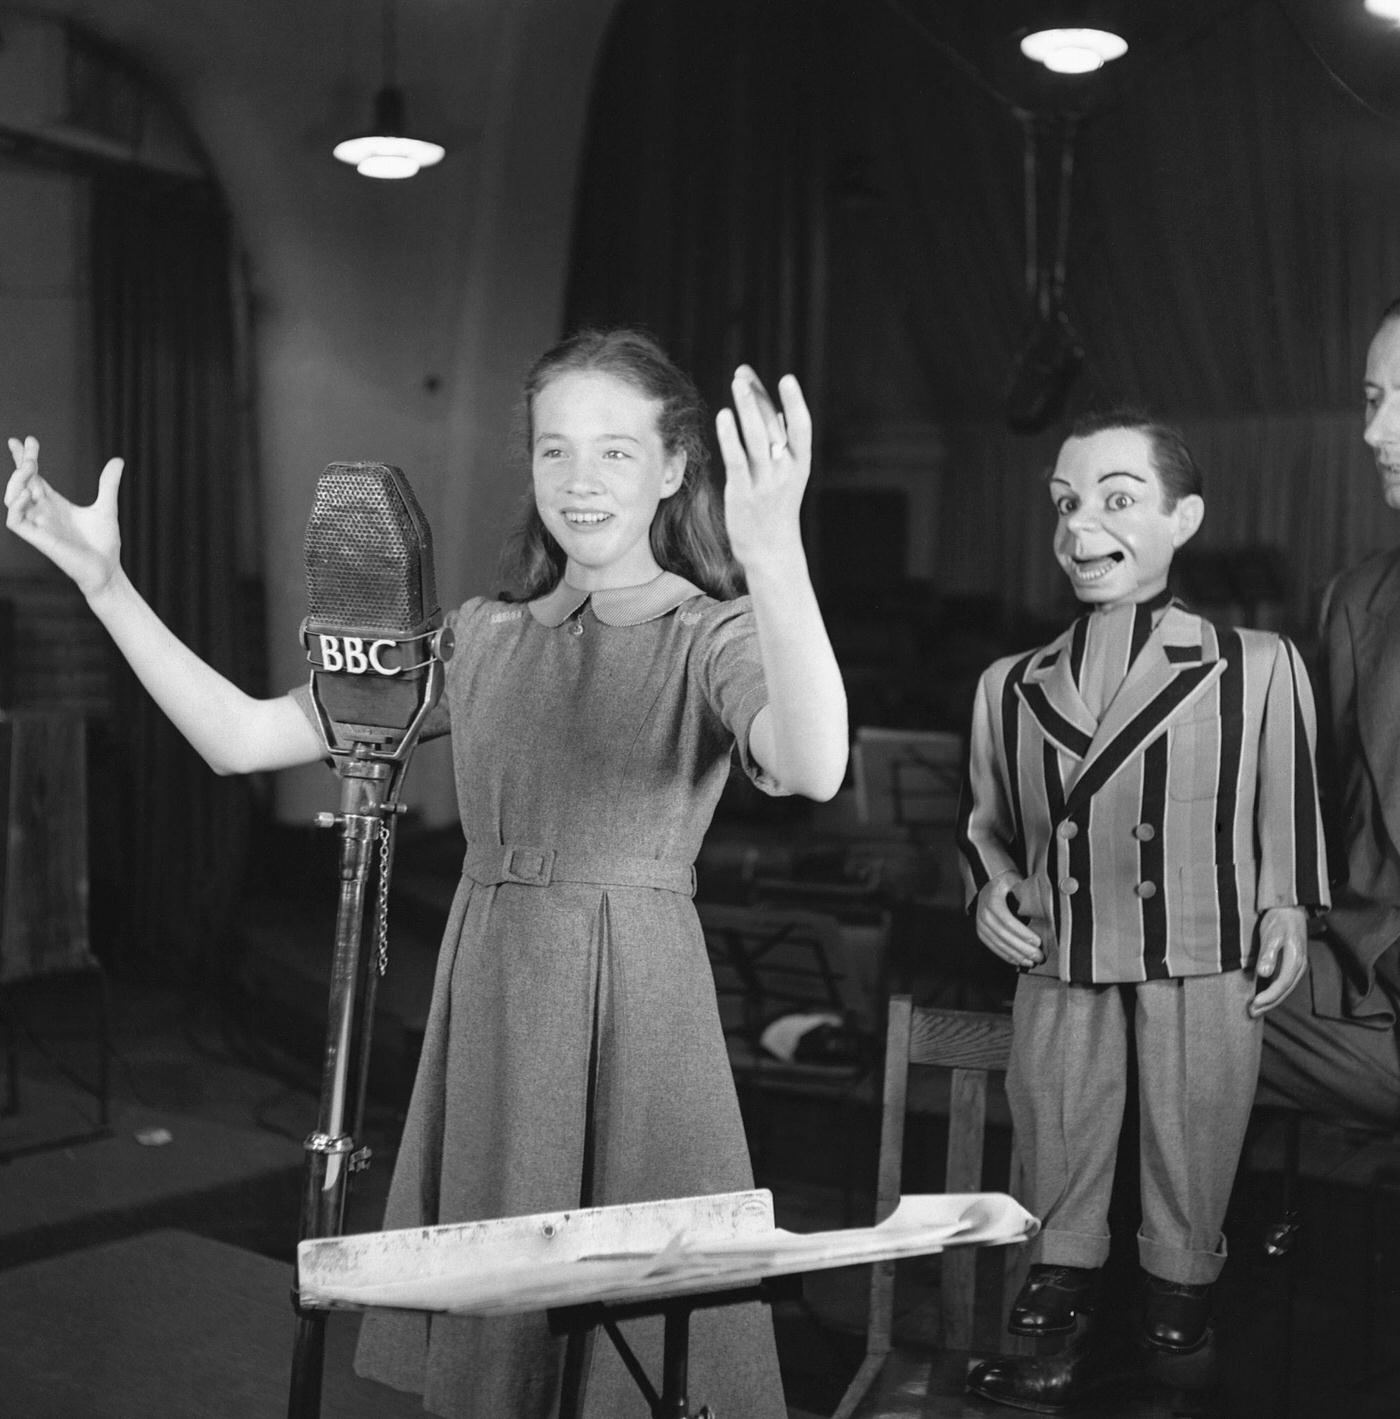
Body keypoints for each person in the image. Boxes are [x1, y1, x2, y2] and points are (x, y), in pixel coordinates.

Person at [5, 327, 849, 1419]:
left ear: (676, 468)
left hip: (635, 1000)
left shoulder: (712, 633)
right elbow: (244, 738)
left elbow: (813, 763)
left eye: (615, 452)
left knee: (643, 1347)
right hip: (493, 984)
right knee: (496, 1354)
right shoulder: (484, 637)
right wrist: (105, 584)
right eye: (554, 451)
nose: (579, 482)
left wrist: (775, 553)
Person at [956, 410, 1329, 1411]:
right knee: (1056, 1114)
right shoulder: (1007, 686)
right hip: (1063, 944)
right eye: (1064, 503)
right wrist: (987, 888)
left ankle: (1181, 1274)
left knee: (1192, 1112)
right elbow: (985, 826)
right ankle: (1063, 1267)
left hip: (1198, 935)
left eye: (1116, 499)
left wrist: (1287, 904)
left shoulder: (1254, 664)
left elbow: (1284, 800)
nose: (1081, 528)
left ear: (1183, 516)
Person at [1255, 300, 1400, 1127]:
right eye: (1371, 399)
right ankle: (1136, 1255)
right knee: (1133, 979)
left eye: (1398, 399)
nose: (1373, 432)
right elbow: (1314, 810)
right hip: (1365, 987)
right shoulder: (1354, 603)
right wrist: (1285, 897)